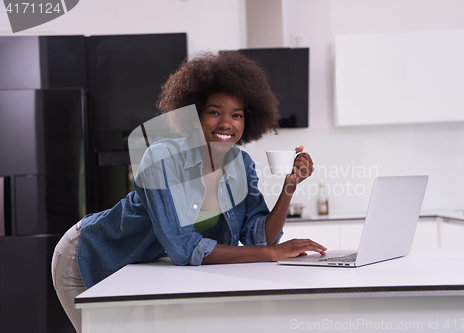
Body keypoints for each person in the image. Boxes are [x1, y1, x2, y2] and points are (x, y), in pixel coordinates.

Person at [51, 51, 326, 333]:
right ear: (195, 116)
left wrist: (289, 187)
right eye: (215, 112)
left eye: (237, 115)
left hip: (138, 267)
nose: (226, 123)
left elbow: (258, 235)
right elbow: (184, 248)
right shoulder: (160, 159)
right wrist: (270, 253)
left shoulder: (241, 165)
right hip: (88, 256)